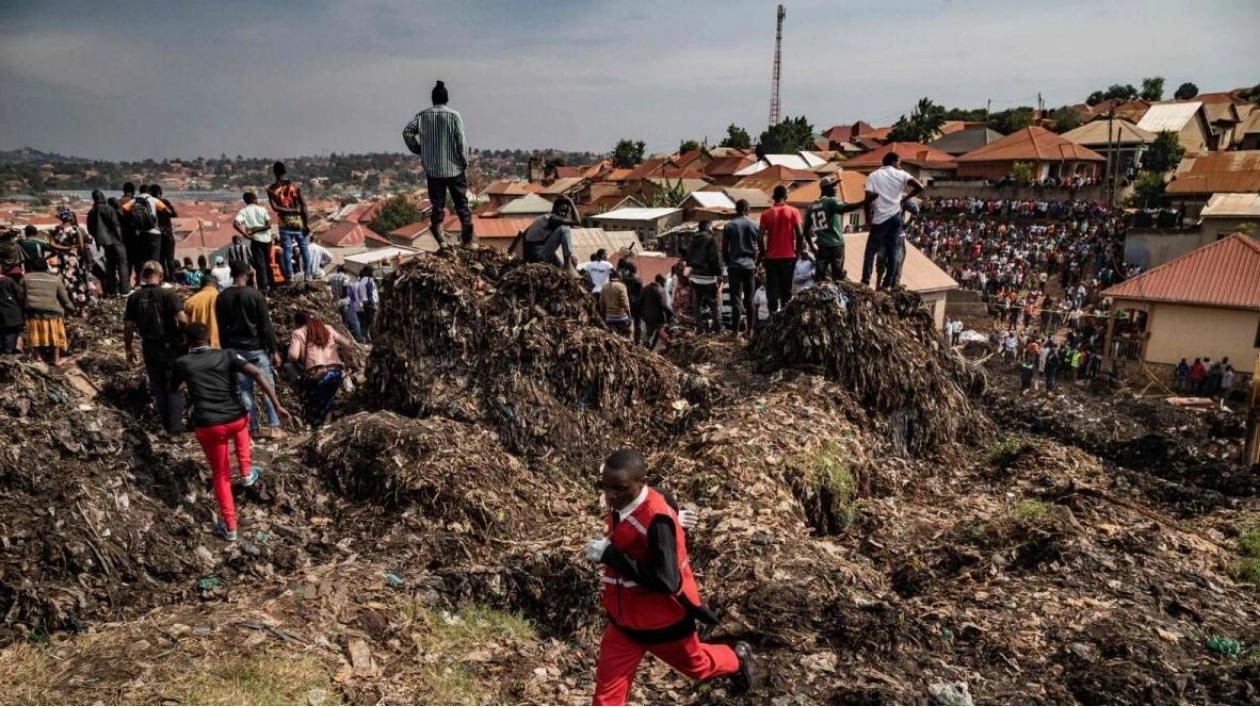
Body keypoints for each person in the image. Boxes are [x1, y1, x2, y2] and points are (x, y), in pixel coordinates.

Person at [585, 448, 756, 705]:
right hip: (623, 624)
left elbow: (668, 581)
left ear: (639, 484)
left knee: (697, 666)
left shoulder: (657, 521)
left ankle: (738, 659)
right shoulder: (625, 499)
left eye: (618, 488)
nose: (609, 495)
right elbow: (662, 498)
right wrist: (676, 515)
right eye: (605, 486)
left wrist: (611, 555)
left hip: (662, 624)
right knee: (605, 699)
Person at [174, 323, 289, 542]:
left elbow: (175, 389)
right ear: (210, 338)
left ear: (187, 341)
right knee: (241, 422)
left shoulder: (182, 363)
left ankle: (231, 527)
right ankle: (246, 473)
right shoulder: (227, 355)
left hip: (209, 425)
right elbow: (256, 372)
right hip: (235, 419)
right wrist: (276, 405)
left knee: (221, 474)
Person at [216, 260, 285, 440]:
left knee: (244, 390)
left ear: (232, 274)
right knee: (267, 387)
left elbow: (221, 327)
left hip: (234, 350)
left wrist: (226, 350)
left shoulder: (222, 297)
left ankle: (253, 428)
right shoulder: (255, 295)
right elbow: (265, 326)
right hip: (256, 349)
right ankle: (275, 427)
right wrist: (274, 350)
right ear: (246, 274)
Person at [402, 80, 474, 247]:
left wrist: (419, 149)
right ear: (446, 99)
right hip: (454, 168)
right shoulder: (454, 116)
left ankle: (441, 240)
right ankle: (467, 241)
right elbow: (462, 143)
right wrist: (464, 162)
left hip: (433, 170)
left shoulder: (422, 116)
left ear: (433, 99)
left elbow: (407, 132)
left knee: (437, 206)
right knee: (462, 204)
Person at [124, 261, 188, 435]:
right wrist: (183, 336)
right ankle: (175, 431)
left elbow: (129, 326)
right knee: (174, 386)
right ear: (160, 275)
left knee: (159, 388)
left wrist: (129, 349)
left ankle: (168, 428)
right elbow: (182, 319)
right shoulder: (169, 295)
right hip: (170, 346)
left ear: (144, 275)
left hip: (149, 347)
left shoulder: (134, 298)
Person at [862, 152, 924, 289]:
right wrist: (905, 199)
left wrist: (868, 220)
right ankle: (887, 283)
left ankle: (866, 280)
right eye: (899, 163)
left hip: (879, 219)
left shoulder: (873, 175)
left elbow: (867, 200)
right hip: (896, 218)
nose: (900, 166)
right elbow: (920, 187)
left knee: (871, 251)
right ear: (893, 162)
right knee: (893, 252)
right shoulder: (901, 175)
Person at [288, 311, 358, 428]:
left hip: (317, 375)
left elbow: (293, 355)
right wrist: (348, 360)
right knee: (328, 399)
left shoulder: (298, 333)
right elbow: (347, 343)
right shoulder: (327, 328)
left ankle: (319, 426)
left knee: (314, 403)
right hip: (336, 373)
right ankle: (328, 424)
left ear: (298, 322)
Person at [804, 177, 866, 281]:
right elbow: (846, 208)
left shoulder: (812, 206)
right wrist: (865, 201)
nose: (836, 188)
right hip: (835, 245)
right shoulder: (831, 201)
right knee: (838, 277)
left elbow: (806, 231)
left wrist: (812, 247)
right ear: (826, 188)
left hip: (822, 247)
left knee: (820, 278)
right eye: (833, 186)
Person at [758, 185, 803, 315]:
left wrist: (763, 254)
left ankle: (772, 317)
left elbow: (760, 237)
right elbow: (800, 234)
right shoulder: (793, 212)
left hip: (771, 258)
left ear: (773, 198)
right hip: (789, 256)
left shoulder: (766, 214)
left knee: (772, 289)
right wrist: (797, 252)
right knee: (786, 290)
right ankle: (785, 316)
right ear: (786, 197)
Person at [266, 161, 311, 282]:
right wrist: (306, 223)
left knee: (287, 249)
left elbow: (275, 208)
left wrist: (287, 210)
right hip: (299, 222)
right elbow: (304, 206)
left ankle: (290, 276)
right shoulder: (295, 186)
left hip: (284, 223)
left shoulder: (271, 190)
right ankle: (308, 274)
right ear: (285, 172)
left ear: (275, 173)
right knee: (304, 248)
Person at [18, 269, 72, 365]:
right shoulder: (56, 279)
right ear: (46, 268)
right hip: (53, 314)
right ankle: (56, 359)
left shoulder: (25, 279)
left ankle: (38, 357)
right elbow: (64, 298)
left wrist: (23, 309)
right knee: (56, 337)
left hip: (33, 313)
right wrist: (71, 308)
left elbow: (20, 297)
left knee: (35, 336)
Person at [721, 199, 759, 335]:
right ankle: (750, 330)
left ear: (736, 210)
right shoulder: (755, 224)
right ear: (747, 209)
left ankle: (735, 331)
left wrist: (729, 263)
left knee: (736, 299)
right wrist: (757, 262)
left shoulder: (729, 226)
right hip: (750, 266)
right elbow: (761, 246)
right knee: (750, 299)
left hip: (735, 266)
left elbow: (724, 250)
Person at [511, 196, 578, 267]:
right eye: (561, 210)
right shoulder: (553, 219)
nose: (563, 214)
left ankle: (564, 266)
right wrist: (571, 202)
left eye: (565, 212)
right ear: (555, 208)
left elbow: (525, 235)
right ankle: (568, 264)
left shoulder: (544, 218)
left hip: (535, 255)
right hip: (537, 256)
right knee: (564, 229)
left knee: (561, 267)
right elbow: (577, 222)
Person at [88, 190, 128, 297]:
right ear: (102, 197)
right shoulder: (108, 209)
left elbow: (90, 229)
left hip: (103, 243)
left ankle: (112, 290)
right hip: (114, 239)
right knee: (122, 264)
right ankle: (125, 290)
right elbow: (116, 226)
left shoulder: (91, 212)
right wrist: (121, 239)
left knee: (110, 266)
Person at [121, 185, 170, 270]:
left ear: (139, 191)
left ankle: (145, 278)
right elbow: (168, 211)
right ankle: (155, 278)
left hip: (140, 233)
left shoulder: (134, 201)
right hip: (154, 233)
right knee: (155, 259)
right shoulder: (154, 200)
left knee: (144, 259)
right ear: (149, 192)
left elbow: (123, 209)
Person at [685, 222, 722, 333]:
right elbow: (714, 258)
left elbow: (688, 258)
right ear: (707, 228)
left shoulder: (692, 241)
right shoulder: (710, 240)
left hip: (695, 277)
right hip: (708, 277)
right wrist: (718, 273)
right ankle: (717, 328)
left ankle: (699, 328)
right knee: (714, 303)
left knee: (697, 303)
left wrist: (694, 267)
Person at [233, 192, 273, 293]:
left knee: (260, 265)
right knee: (268, 263)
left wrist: (247, 234)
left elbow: (235, 224)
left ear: (245, 201)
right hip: (267, 240)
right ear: (255, 199)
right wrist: (258, 229)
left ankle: (263, 288)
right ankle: (271, 285)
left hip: (256, 240)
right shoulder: (262, 209)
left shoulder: (243, 211)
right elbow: (268, 225)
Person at [327, 265, 365, 343]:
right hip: (344, 301)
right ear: (345, 272)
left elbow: (328, 286)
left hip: (335, 302)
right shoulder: (345, 277)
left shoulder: (331, 277)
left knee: (343, 321)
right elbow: (345, 288)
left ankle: (345, 337)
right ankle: (358, 339)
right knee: (353, 320)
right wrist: (344, 298)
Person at [150, 184, 178, 280]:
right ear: (159, 193)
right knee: (170, 258)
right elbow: (174, 214)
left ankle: (164, 278)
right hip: (168, 233)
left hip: (157, 235)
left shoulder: (151, 204)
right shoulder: (164, 202)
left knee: (161, 258)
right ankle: (173, 279)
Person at [184, 273, 220, 348]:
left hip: (198, 346)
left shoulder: (190, 301)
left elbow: (185, 323)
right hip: (220, 344)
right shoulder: (222, 298)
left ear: (201, 285)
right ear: (216, 285)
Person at [639, 274, 672, 351]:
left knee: (649, 332)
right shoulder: (660, 290)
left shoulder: (646, 288)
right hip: (657, 317)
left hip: (647, 317)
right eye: (664, 282)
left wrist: (642, 313)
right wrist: (670, 313)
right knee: (661, 330)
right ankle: (668, 344)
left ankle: (646, 346)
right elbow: (662, 305)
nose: (664, 284)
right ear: (660, 281)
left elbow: (640, 301)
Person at [118, 182, 141, 284]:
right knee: (137, 259)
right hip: (135, 235)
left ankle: (126, 282)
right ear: (131, 192)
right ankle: (138, 281)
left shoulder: (118, 202)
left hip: (121, 236)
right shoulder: (135, 202)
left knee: (125, 261)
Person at [600, 269, 633, 337]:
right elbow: (625, 303)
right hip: (621, 317)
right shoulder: (621, 286)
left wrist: (603, 315)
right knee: (629, 333)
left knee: (613, 337)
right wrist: (629, 316)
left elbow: (601, 303)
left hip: (609, 317)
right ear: (619, 277)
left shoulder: (604, 287)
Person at [357, 265, 380, 343]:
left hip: (365, 304)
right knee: (373, 322)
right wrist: (372, 304)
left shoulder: (362, 280)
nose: (373, 273)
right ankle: (374, 340)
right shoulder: (368, 280)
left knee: (366, 323)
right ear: (369, 272)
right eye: (372, 271)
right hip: (370, 304)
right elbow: (370, 293)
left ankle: (366, 338)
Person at [0, 268, 21, 354]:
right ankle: (8, 354)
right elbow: (19, 294)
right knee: (10, 333)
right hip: (11, 312)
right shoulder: (9, 281)